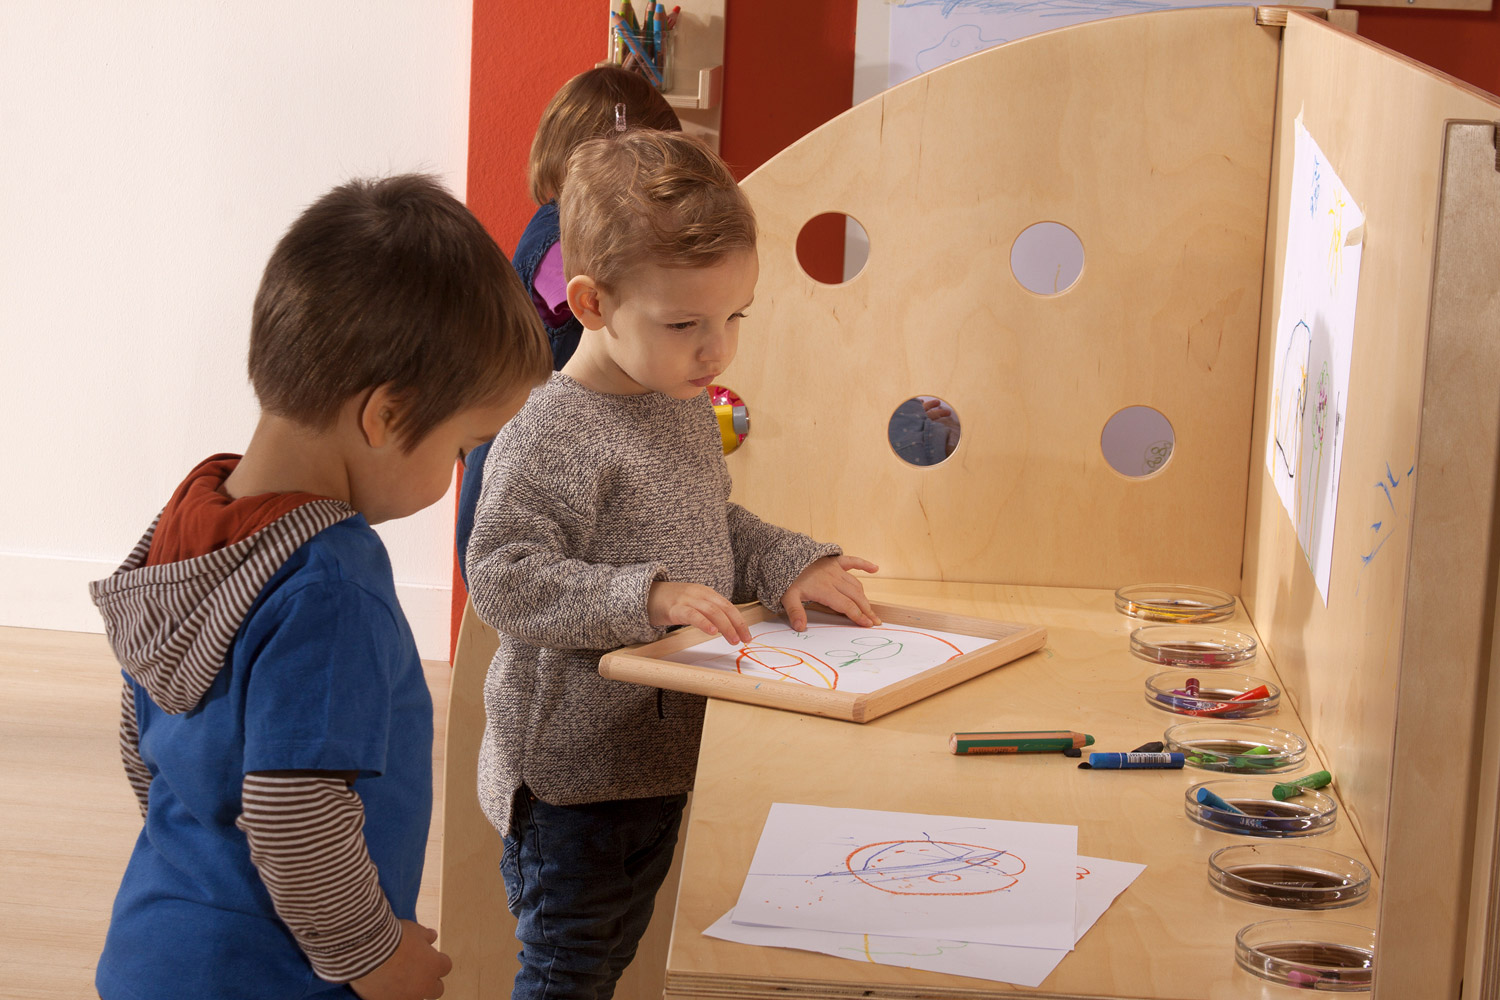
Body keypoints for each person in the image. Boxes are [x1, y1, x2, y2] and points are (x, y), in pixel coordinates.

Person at [88, 175, 551, 1000]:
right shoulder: (330, 585)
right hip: (271, 975)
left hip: (154, 945)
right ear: (385, 417)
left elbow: (142, 733)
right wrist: (375, 958)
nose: (460, 473)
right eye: (460, 448)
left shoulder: (187, 520)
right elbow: (293, 815)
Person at [465, 129, 882, 1000]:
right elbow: (501, 572)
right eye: (685, 323)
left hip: (659, 757)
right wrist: (646, 596)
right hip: (573, 782)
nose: (716, 350)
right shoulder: (551, 432)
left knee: (610, 958)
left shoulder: (678, 400)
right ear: (590, 304)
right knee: (567, 973)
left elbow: (710, 525)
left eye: (735, 317)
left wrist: (787, 564)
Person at [455, 66, 681, 585]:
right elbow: (593, 297)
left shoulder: (581, 231)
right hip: (522, 451)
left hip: (556, 444)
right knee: (513, 575)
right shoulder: (561, 237)